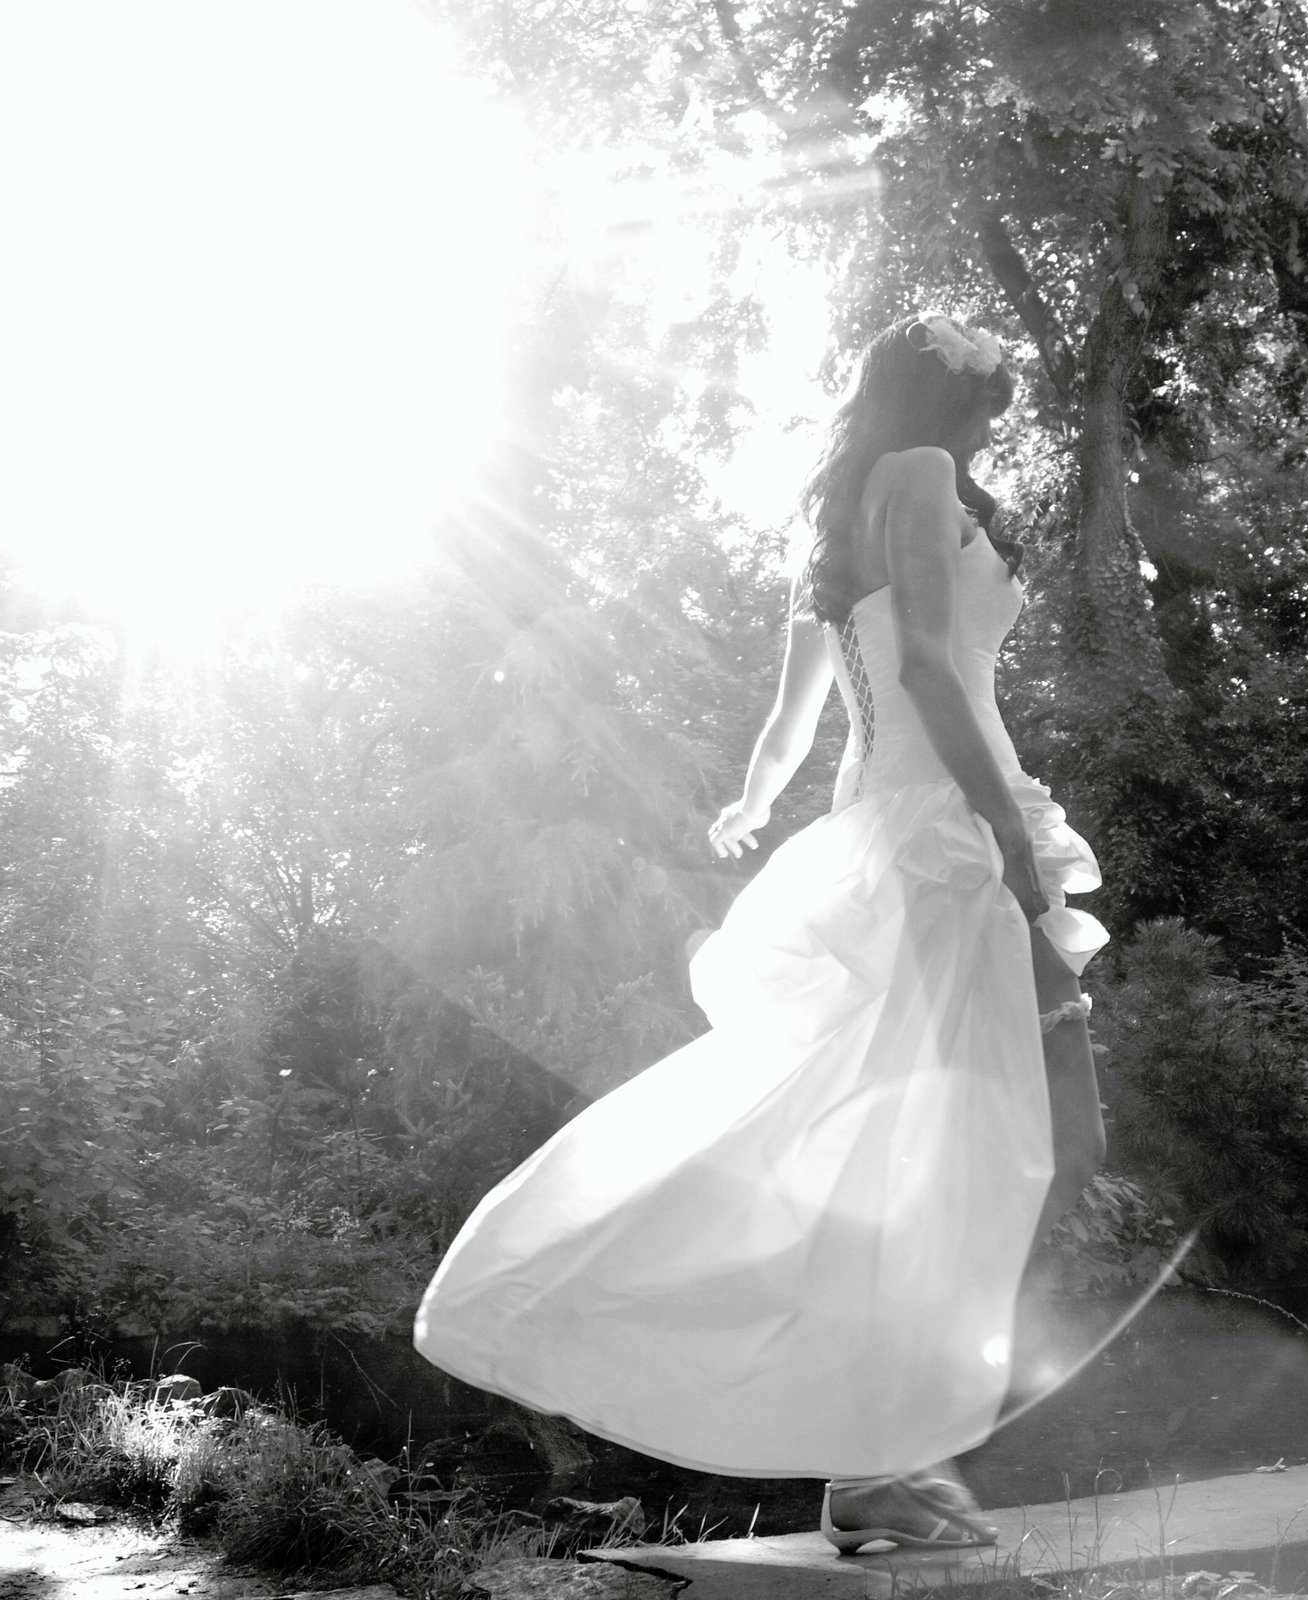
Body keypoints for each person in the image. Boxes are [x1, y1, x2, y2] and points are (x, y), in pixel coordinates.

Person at [414, 313, 1108, 1556]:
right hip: (948, 828)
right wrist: (1007, 838)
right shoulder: (923, 474)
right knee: (993, 1140)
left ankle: (885, 1449)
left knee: (936, 1143)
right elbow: (931, 671)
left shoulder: (834, 524)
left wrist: (748, 804)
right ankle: (884, 1460)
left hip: (892, 819)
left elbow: (792, 725)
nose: (991, 427)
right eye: (987, 403)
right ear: (950, 400)